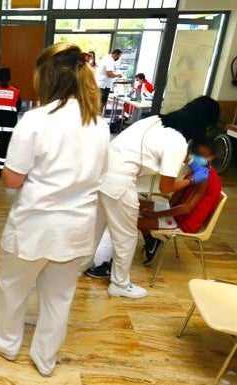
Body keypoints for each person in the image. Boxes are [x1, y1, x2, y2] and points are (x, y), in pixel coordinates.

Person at [0, 44, 109, 377]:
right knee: (59, 297)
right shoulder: (98, 123)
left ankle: (6, 342)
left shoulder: (36, 120)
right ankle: (45, 357)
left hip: (35, 223)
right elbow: (99, 173)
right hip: (77, 226)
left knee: (13, 287)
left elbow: (11, 179)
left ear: (46, 78)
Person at [84, 96, 220, 298]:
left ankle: (80, 266)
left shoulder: (156, 120)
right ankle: (119, 285)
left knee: (96, 227)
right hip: (119, 181)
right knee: (127, 236)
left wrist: (191, 161)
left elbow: (163, 147)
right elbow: (167, 188)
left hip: (102, 172)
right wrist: (192, 180)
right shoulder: (178, 142)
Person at [139, 139, 222, 265]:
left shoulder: (205, 177)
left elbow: (186, 208)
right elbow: (174, 199)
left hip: (184, 222)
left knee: (132, 221)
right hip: (178, 212)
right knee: (137, 203)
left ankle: (146, 244)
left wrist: (155, 214)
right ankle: (151, 242)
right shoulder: (196, 171)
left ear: (211, 158)